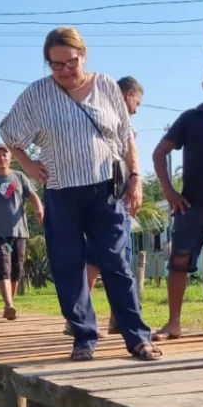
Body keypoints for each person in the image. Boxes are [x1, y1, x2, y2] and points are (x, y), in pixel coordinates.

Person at [0, 27, 161, 362]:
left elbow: (126, 136)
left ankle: (137, 338)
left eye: (70, 63)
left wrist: (135, 177)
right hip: (61, 191)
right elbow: (9, 131)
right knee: (69, 265)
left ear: (83, 55)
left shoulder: (106, 86)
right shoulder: (37, 94)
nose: (64, 71)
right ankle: (84, 337)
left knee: (117, 262)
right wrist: (28, 164)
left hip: (106, 188)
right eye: (56, 65)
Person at [152, 64, 203, 339]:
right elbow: (159, 153)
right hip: (191, 206)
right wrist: (169, 192)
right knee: (179, 260)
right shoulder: (190, 118)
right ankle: (173, 322)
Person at [85, 75, 143, 332]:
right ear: (129, 95)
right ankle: (120, 317)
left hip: (92, 194)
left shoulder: (95, 113)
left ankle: (80, 315)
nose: (136, 109)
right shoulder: (122, 120)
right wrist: (135, 181)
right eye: (137, 103)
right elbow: (129, 156)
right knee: (120, 258)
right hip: (115, 197)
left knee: (95, 257)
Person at [0, 144, 45, 319]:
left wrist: (39, 209)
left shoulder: (19, 177)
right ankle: (9, 304)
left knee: (16, 270)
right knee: (3, 267)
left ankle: (9, 305)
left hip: (19, 232)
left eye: (4, 155)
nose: (1, 158)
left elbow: (33, 195)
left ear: (10, 158)